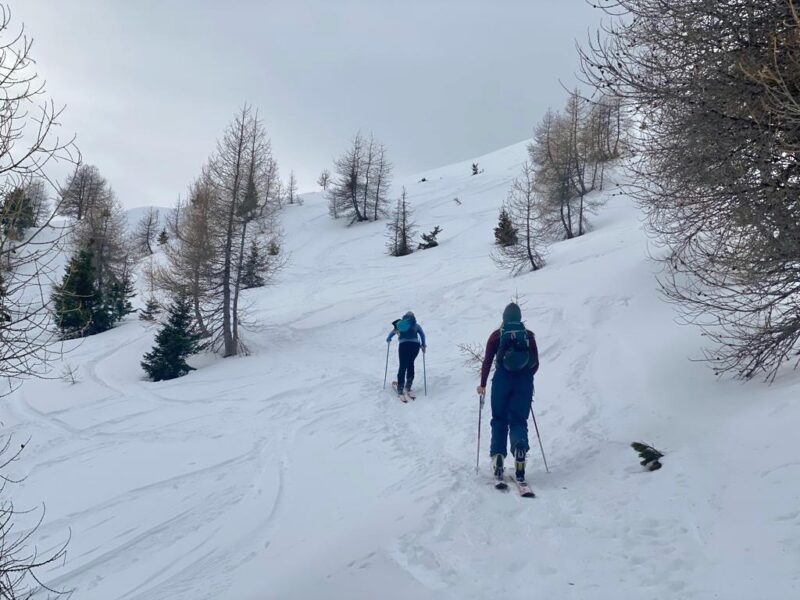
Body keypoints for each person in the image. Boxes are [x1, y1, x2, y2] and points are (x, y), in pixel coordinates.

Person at [476, 302, 539, 483]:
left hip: (502, 381)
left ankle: (498, 458)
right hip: (524, 381)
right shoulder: (528, 336)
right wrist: (526, 377)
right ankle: (519, 447)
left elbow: (487, 362)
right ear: (519, 317)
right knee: (519, 420)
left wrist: (483, 384)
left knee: (499, 419)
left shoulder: (496, 336)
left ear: (504, 318)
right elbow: (536, 362)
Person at [386, 311, 427, 398]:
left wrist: (389, 339)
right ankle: (408, 385)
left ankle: (400, 387)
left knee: (403, 366)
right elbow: (422, 335)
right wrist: (423, 345)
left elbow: (392, 334)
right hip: (415, 346)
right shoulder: (416, 325)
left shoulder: (400, 324)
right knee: (410, 364)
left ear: (404, 317)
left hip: (404, 346)